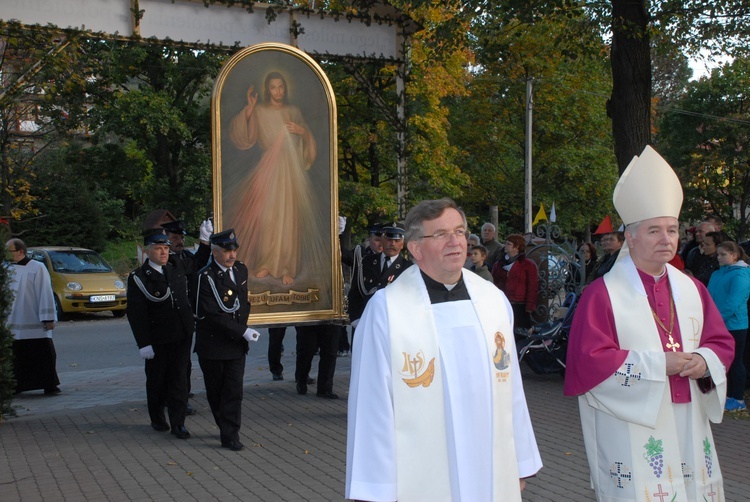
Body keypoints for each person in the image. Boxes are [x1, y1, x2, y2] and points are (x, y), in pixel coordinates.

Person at [564, 145, 735, 501]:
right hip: (632, 420)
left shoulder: (693, 289)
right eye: (654, 231)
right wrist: (660, 365)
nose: (666, 239)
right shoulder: (603, 294)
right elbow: (589, 361)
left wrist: (704, 361)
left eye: (671, 230)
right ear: (631, 236)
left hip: (689, 416)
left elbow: (721, 342)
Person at [346, 198, 542, 501]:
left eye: (460, 231)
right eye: (440, 234)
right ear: (415, 248)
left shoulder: (492, 300)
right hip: (421, 471)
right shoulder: (387, 310)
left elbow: (511, 387)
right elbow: (372, 403)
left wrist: (519, 462)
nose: (455, 242)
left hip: (490, 464)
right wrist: (377, 487)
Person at [225, 71, 324, 286]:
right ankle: (266, 263)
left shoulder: (293, 111)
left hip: (290, 171)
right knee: (268, 217)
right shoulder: (259, 111)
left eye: (280, 87)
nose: (277, 92)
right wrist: (250, 109)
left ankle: (287, 267)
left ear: (285, 89)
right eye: (273, 87)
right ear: (267, 89)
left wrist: (303, 131)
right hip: (268, 169)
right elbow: (245, 138)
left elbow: (307, 140)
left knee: (289, 219)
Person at [194, 229, 260, 451]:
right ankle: (224, 426)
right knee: (216, 391)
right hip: (213, 345)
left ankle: (230, 434)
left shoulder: (240, 270)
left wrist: (242, 330)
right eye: (226, 251)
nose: (232, 255)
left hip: (235, 345)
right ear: (214, 252)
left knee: (234, 390)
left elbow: (242, 304)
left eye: (234, 250)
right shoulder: (206, 277)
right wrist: (242, 331)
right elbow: (211, 313)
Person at [126, 229, 193, 439]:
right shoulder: (139, 278)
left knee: (179, 380)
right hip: (158, 339)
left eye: (166, 248)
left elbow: (198, 265)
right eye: (158, 248)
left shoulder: (175, 269)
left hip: (181, 335)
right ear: (147, 251)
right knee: (157, 381)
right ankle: (157, 417)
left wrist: (205, 242)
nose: (164, 252)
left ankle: (178, 423)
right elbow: (136, 314)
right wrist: (144, 343)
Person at [161, 219, 212, 415]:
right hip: (168, 319)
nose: (179, 241)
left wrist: (205, 243)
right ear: (165, 237)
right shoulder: (165, 260)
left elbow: (197, 263)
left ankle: (181, 395)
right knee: (171, 362)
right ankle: (172, 397)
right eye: (174, 238)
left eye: (181, 238)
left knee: (184, 362)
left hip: (185, 318)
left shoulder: (183, 256)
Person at [5, 238, 59, 395]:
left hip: (33, 319)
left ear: (20, 251)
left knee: (42, 353)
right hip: (12, 320)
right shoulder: (5, 268)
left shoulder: (37, 268)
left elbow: (45, 292)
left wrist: (47, 318)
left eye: (9, 252)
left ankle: (48, 384)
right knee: (17, 355)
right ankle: (17, 385)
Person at [346, 223, 412, 341]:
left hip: (394, 330)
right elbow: (355, 293)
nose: (392, 244)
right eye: (389, 239)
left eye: (397, 240)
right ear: (382, 239)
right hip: (364, 325)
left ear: (402, 244)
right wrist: (356, 320)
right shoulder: (366, 262)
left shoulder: (408, 269)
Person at [708, 240, 750, 411]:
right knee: (719, 362)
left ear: (734, 256)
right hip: (717, 324)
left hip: (735, 326)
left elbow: (733, 303)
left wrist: (715, 320)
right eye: (718, 254)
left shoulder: (741, 275)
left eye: (723, 254)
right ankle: (723, 394)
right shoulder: (717, 274)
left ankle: (738, 399)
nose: (719, 257)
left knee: (735, 362)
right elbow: (708, 297)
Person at [491, 234, 539, 330]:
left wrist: (530, 306)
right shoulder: (499, 264)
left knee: (519, 333)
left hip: (520, 305)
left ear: (516, 247)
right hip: (503, 302)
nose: (505, 245)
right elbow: (494, 283)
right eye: (505, 243)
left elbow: (532, 286)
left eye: (508, 244)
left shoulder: (527, 265)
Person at [295, 324, 339, 398]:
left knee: (330, 352)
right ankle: (301, 380)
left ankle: (324, 388)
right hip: (309, 319)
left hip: (331, 318)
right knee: (306, 351)